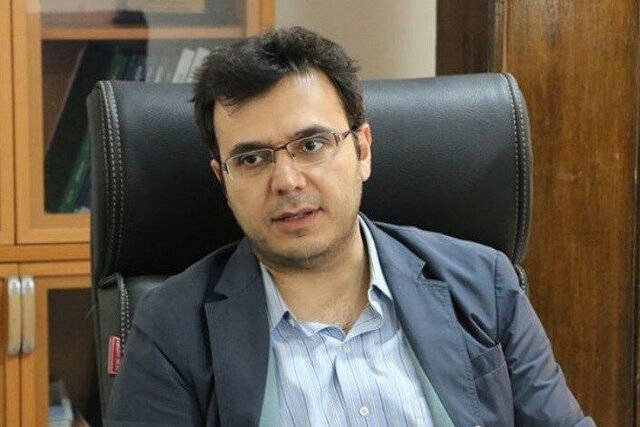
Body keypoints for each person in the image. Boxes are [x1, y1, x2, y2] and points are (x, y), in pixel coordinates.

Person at [106, 27, 594, 426]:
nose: (287, 181)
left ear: (362, 150)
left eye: (311, 145)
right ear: (223, 179)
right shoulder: (172, 328)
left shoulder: (484, 286)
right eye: (252, 158)